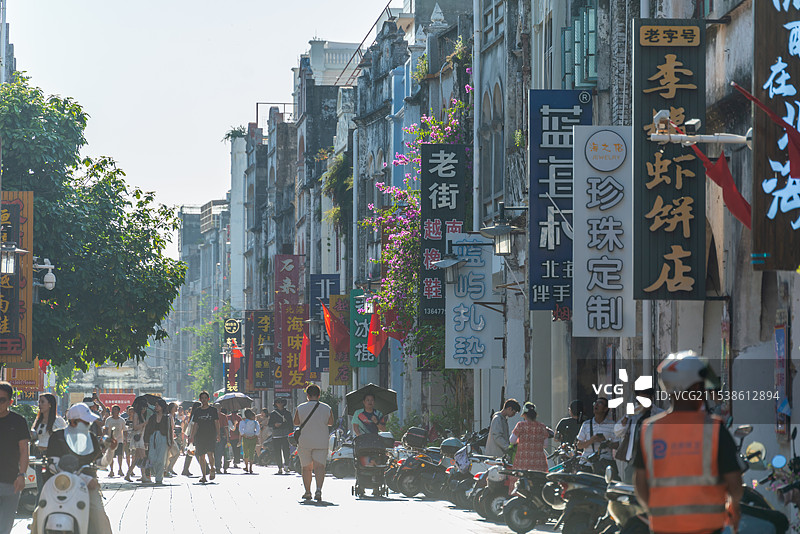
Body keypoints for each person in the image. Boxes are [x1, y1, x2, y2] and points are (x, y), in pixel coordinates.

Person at [634, 351, 743, 534]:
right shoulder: (714, 429)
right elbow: (735, 485)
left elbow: (640, 485)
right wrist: (734, 504)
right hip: (708, 528)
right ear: (694, 388)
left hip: (663, 529)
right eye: (701, 386)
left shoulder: (648, 430)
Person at [31, 402, 117, 534]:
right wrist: (84, 477)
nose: (88, 425)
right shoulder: (57, 436)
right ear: (73, 421)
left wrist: (111, 450)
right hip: (59, 485)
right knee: (38, 513)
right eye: (85, 421)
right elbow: (53, 463)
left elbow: (101, 463)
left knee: (99, 516)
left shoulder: (92, 438)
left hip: (88, 487)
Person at [293, 384, 334, 501]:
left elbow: (296, 422)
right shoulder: (327, 408)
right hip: (321, 441)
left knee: (306, 468)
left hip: (305, 442)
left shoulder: (300, 407)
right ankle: (319, 490)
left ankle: (307, 492)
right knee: (320, 467)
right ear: (319, 395)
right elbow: (331, 422)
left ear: (307, 395)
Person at [614, 387, 662, 483]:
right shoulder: (633, 415)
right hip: (633, 461)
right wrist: (627, 417)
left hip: (653, 461)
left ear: (651, 398)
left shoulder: (659, 414)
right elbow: (617, 432)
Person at [0, 381, 29, 534]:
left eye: (1, 400)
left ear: (10, 401)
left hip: (11, 482)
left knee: (5, 527)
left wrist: (22, 475)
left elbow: (24, 449)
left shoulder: (18, 421)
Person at [509, 402, 553, 494]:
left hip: (523, 461)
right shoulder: (542, 427)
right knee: (538, 483)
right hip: (538, 462)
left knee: (520, 483)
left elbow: (512, 440)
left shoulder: (521, 425)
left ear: (524, 414)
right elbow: (545, 445)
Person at [31, 393, 67, 491]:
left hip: (52, 456)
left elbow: (63, 439)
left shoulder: (58, 421)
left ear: (50, 404)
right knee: (40, 486)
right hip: (39, 456)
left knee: (51, 486)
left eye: (42, 402)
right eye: (39, 402)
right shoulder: (38, 420)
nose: (40, 405)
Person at [576, 397, 618, 477]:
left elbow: (617, 445)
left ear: (605, 409)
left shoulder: (612, 425)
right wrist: (592, 440)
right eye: (595, 403)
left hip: (604, 464)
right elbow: (579, 445)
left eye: (600, 403)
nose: (596, 405)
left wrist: (605, 442)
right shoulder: (586, 424)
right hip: (587, 464)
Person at [189, 391, 219, 483]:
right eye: (202, 398)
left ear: (208, 399)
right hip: (200, 436)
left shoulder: (213, 410)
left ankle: (212, 468)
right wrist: (192, 436)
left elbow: (216, 422)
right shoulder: (197, 411)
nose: (204, 400)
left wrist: (218, 434)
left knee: (210, 453)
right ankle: (203, 476)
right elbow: (195, 424)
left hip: (211, 435)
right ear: (200, 399)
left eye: (206, 398)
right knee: (201, 456)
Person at [143, 399, 171, 485]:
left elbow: (169, 430)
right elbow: (147, 429)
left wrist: (170, 441)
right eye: (155, 405)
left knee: (161, 459)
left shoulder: (167, 418)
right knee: (152, 457)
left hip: (163, 438)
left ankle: (159, 478)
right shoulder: (152, 417)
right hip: (153, 437)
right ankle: (155, 472)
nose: (156, 407)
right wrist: (146, 440)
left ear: (162, 407)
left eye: (158, 405)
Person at [124, 397, 150, 483]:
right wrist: (144, 423)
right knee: (142, 456)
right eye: (143, 408)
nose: (144, 410)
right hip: (138, 437)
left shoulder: (141, 415)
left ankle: (128, 474)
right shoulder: (136, 415)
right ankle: (143, 476)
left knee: (137, 458)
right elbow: (135, 427)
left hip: (141, 437)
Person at [269, 398, 292, 474]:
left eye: (281, 402)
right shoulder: (273, 413)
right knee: (277, 451)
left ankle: (286, 466)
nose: (279, 403)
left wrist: (291, 433)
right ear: (275, 404)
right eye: (278, 402)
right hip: (276, 434)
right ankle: (279, 467)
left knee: (286, 451)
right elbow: (270, 424)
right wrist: (275, 425)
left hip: (285, 434)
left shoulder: (287, 413)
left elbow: (290, 424)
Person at [103, 405, 126, 478]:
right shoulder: (108, 420)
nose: (113, 411)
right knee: (111, 456)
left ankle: (120, 469)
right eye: (113, 410)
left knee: (120, 455)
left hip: (119, 440)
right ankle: (111, 470)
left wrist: (125, 439)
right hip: (111, 441)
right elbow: (106, 429)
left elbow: (125, 430)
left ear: (118, 411)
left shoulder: (122, 420)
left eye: (115, 410)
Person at [181, 402, 201, 477]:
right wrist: (192, 437)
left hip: (192, 436)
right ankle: (207, 468)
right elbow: (193, 426)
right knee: (197, 452)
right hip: (194, 436)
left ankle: (185, 469)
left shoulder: (193, 415)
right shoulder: (196, 416)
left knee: (191, 452)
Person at [239, 409, 260, 474]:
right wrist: (255, 435)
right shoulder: (255, 422)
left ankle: (246, 467)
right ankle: (251, 467)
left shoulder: (243, 421)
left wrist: (244, 435)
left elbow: (240, 429)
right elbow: (258, 429)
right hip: (253, 438)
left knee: (246, 453)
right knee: (252, 453)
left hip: (245, 438)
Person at [165, 402, 181, 477]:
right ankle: (169, 468)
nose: (177, 408)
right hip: (170, 438)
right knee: (177, 453)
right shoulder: (170, 416)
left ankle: (169, 468)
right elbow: (170, 428)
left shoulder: (172, 416)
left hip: (171, 437)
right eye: (175, 407)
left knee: (170, 454)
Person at [215, 406, 231, 474]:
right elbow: (226, 428)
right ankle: (225, 468)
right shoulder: (223, 416)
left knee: (217, 453)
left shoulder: (212, 415)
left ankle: (218, 467)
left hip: (214, 436)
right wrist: (228, 439)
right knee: (225, 453)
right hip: (222, 436)